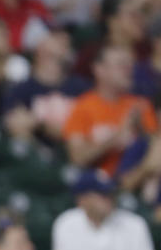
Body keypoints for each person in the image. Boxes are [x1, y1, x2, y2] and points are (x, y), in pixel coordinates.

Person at [63, 45, 158, 180]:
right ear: (99, 69)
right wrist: (113, 140)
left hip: (139, 180)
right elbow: (77, 158)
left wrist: (140, 128)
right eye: (121, 65)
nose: (128, 70)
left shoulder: (140, 105)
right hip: (98, 181)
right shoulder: (83, 107)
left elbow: (156, 151)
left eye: (129, 65)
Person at [52, 169, 158, 250]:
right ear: (82, 200)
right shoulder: (66, 224)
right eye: (102, 195)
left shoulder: (135, 224)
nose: (109, 198)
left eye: (110, 193)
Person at [3, 32, 90, 147]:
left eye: (59, 52)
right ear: (38, 53)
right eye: (48, 54)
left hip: (76, 149)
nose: (52, 60)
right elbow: (13, 124)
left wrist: (39, 124)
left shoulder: (81, 87)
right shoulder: (21, 89)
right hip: (38, 154)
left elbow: (92, 124)